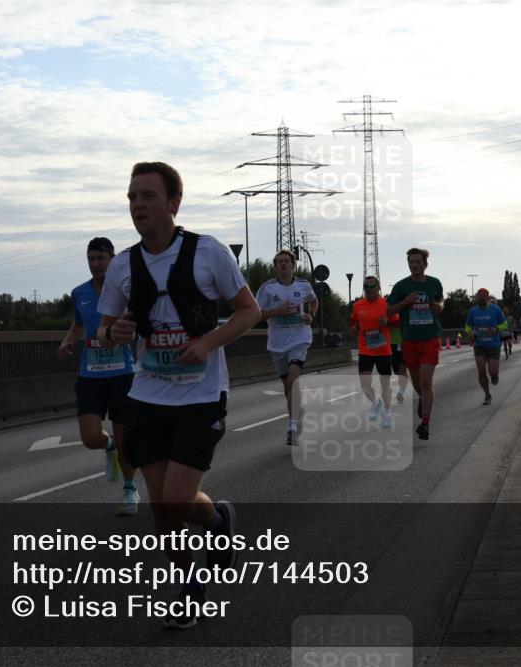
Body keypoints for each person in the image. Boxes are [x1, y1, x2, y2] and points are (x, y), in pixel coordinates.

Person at [98, 161, 261, 629]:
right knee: (164, 508)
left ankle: (190, 594)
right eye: (132, 197)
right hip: (147, 396)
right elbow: (107, 330)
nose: (137, 205)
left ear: (173, 203)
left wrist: (207, 343)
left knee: (174, 499)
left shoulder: (209, 253)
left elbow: (248, 312)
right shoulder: (124, 265)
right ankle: (216, 524)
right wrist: (117, 332)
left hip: (200, 396)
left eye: (147, 196)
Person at [58, 238, 139, 514]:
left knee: (126, 436)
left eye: (101, 259)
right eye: (91, 259)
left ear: (112, 260)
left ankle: (129, 489)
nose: (96, 265)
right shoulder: (79, 292)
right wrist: (68, 341)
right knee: (90, 437)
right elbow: (79, 325)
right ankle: (109, 445)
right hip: (90, 374)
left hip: (122, 373)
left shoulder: (124, 291)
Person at [255, 250, 318, 446]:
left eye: (286, 261)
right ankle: (297, 412)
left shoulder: (303, 285)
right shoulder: (267, 289)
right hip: (277, 343)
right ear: (275, 266)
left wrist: (311, 315)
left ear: (293, 265)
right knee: (287, 386)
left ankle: (292, 427)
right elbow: (256, 314)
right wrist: (277, 312)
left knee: (293, 377)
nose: (283, 265)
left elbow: (313, 301)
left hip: (300, 338)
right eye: (279, 262)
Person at [386, 248, 444, 441]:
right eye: (411, 262)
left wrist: (439, 307)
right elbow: (389, 310)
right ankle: (422, 400)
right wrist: (405, 302)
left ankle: (425, 423)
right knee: (418, 383)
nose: (415, 265)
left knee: (427, 382)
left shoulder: (434, 283)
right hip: (409, 341)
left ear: (425, 264)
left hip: (430, 338)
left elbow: (441, 302)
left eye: (418, 261)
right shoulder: (401, 286)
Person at [349, 276, 397, 429]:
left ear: (378, 288)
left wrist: (387, 322)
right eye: (366, 286)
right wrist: (353, 328)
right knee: (364, 383)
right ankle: (376, 403)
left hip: (383, 350)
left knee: (385, 385)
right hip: (365, 349)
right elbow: (353, 321)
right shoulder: (358, 305)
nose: (369, 289)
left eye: (372, 286)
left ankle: (387, 414)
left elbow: (397, 321)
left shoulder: (386, 304)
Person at [466, 289, 506, 405]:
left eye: (483, 296)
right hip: (479, 345)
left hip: (493, 345)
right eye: (479, 296)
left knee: (492, 372)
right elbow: (468, 326)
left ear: (488, 297)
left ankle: (494, 376)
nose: (481, 298)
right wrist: (470, 333)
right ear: (476, 297)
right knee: (481, 370)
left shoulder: (495, 310)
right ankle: (487, 395)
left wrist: (497, 329)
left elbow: (505, 324)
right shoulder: (473, 311)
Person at [389, 315, 409, 405]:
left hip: (404, 343)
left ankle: (401, 393)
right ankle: (402, 390)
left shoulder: (405, 310)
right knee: (397, 372)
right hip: (392, 344)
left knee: (403, 369)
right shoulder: (389, 311)